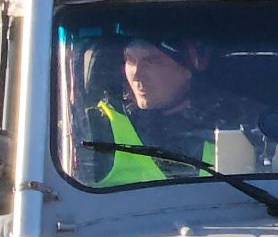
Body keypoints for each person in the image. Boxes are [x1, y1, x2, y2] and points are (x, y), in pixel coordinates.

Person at [90, 33, 243, 186]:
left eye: (150, 61)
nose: (136, 74)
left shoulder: (235, 120)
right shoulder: (96, 126)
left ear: (188, 69)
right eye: (130, 59)